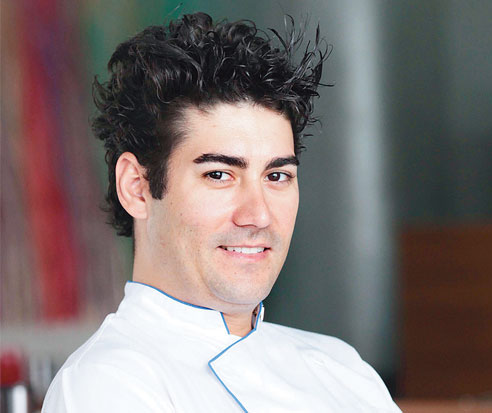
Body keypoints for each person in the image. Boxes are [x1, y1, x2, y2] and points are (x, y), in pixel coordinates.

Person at [42, 12, 400, 412]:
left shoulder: (341, 369)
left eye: (277, 176)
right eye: (219, 174)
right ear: (136, 187)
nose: (258, 215)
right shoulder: (105, 385)